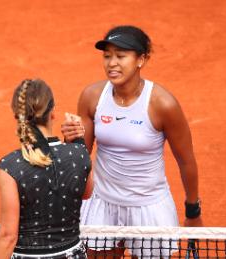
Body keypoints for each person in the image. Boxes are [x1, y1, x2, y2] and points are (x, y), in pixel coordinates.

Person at [61, 25, 202, 258]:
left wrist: (193, 211)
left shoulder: (163, 104)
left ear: (141, 60)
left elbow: (186, 161)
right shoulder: (92, 97)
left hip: (149, 207)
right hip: (103, 203)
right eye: (107, 56)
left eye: (120, 56)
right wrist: (71, 139)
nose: (112, 63)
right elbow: (79, 158)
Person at [0, 79, 94, 259]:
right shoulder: (79, 154)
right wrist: (77, 142)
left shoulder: (9, 165)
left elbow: (8, 236)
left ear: (18, 117)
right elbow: (86, 193)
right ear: (53, 112)